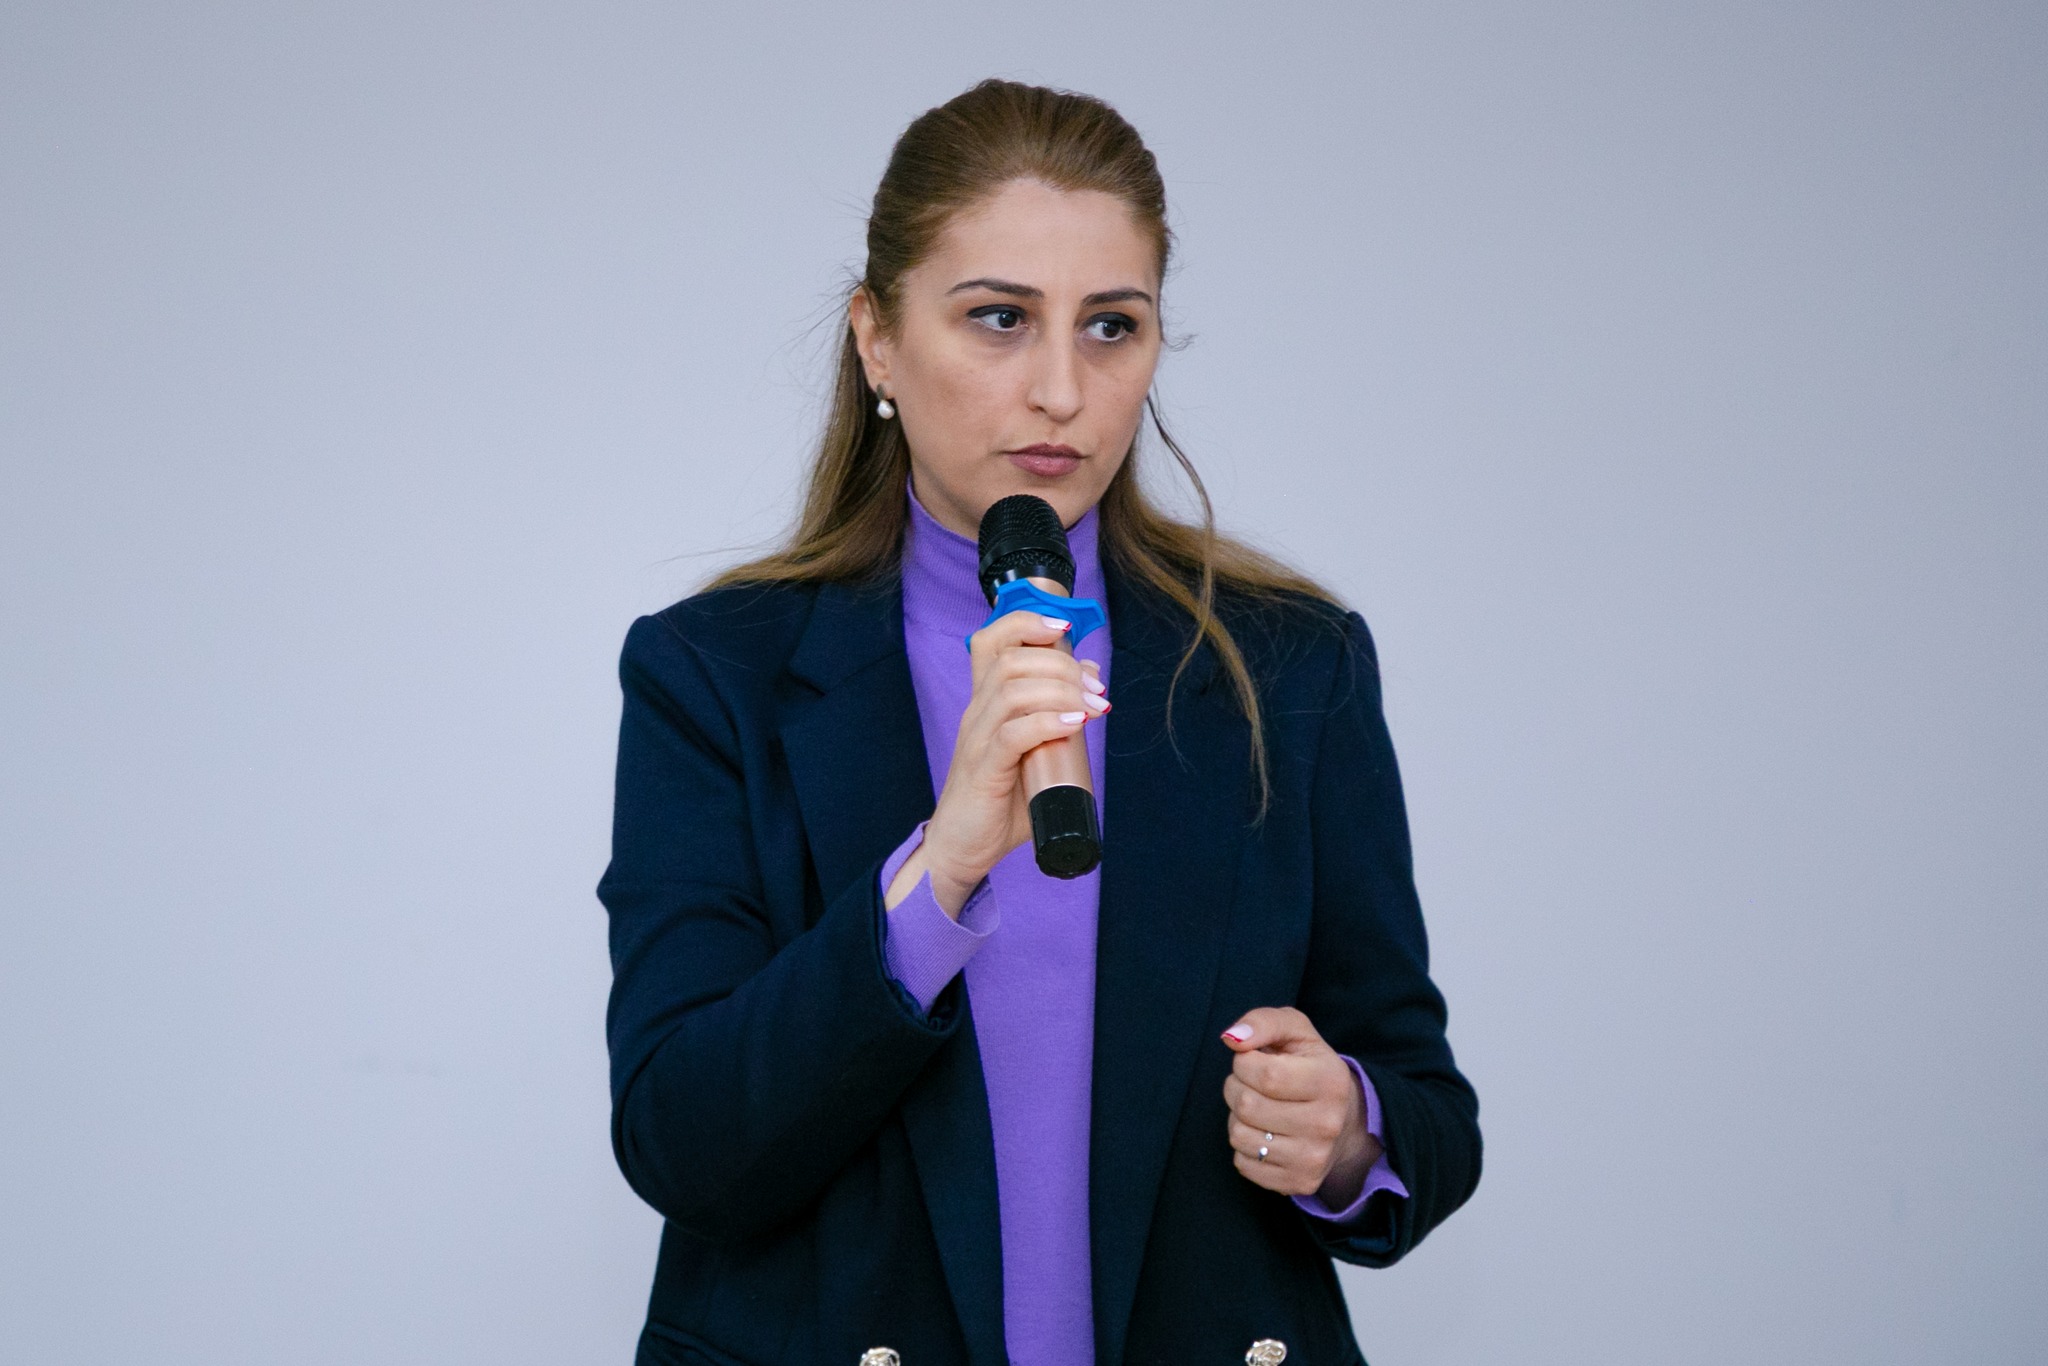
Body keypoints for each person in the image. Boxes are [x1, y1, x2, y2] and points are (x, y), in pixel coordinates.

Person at [599, 79, 1480, 1366]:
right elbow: (681, 1141)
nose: (1061, 389)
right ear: (876, 339)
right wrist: (938, 870)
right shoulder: (713, 673)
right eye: (999, 319)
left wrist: (1344, 1132)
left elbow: (1425, 1113)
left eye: (1110, 326)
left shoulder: (1290, 667)